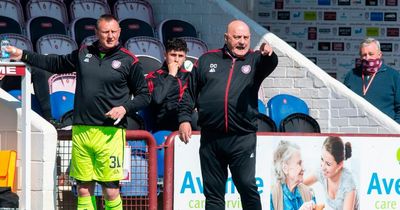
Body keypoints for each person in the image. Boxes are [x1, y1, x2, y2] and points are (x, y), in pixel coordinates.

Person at [4, 14, 150, 210]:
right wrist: (23, 55)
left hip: (110, 134)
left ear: (120, 32)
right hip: (82, 132)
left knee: (111, 191)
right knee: (83, 189)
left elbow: (144, 95)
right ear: (96, 33)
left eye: (114, 32)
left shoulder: (129, 61)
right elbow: (55, 63)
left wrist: (124, 108)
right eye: (105, 32)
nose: (110, 36)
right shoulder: (83, 53)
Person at [178, 19, 279, 210]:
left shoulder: (255, 60)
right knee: (213, 194)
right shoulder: (207, 60)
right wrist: (184, 119)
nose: (242, 41)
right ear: (226, 37)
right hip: (211, 139)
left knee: (247, 187)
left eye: (246, 38)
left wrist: (268, 53)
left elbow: (270, 63)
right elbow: (189, 93)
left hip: (241, 138)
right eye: (237, 37)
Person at [343, 37, 400, 123]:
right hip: (356, 129)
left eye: (371, 54)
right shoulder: (351, 75)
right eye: (364, 55)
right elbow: (344, 104)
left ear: (380, 54)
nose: (367, 58)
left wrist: (394, 130)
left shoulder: (393, 76)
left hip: (385, 132)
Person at [145, 37, 191, 131]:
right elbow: (157, 100)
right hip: (163, 122)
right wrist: (171, 75)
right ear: (165, 55)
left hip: (187, 118)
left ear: (185, 57)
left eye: (180, 56)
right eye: (173, 55)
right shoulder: (153, 76)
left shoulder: (190, 77)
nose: (176, 59)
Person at [304, 136, 359, 210]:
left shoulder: (348, 181)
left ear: (340, 165)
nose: (323, 167)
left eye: (328, 164)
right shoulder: (321, 172)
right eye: (322, 159)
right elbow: (299, 185)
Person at [270, 141, 317, 210]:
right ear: (285, 168)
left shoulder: (308, 193)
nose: (303, 168)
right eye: (299, 163)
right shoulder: (272, 195)